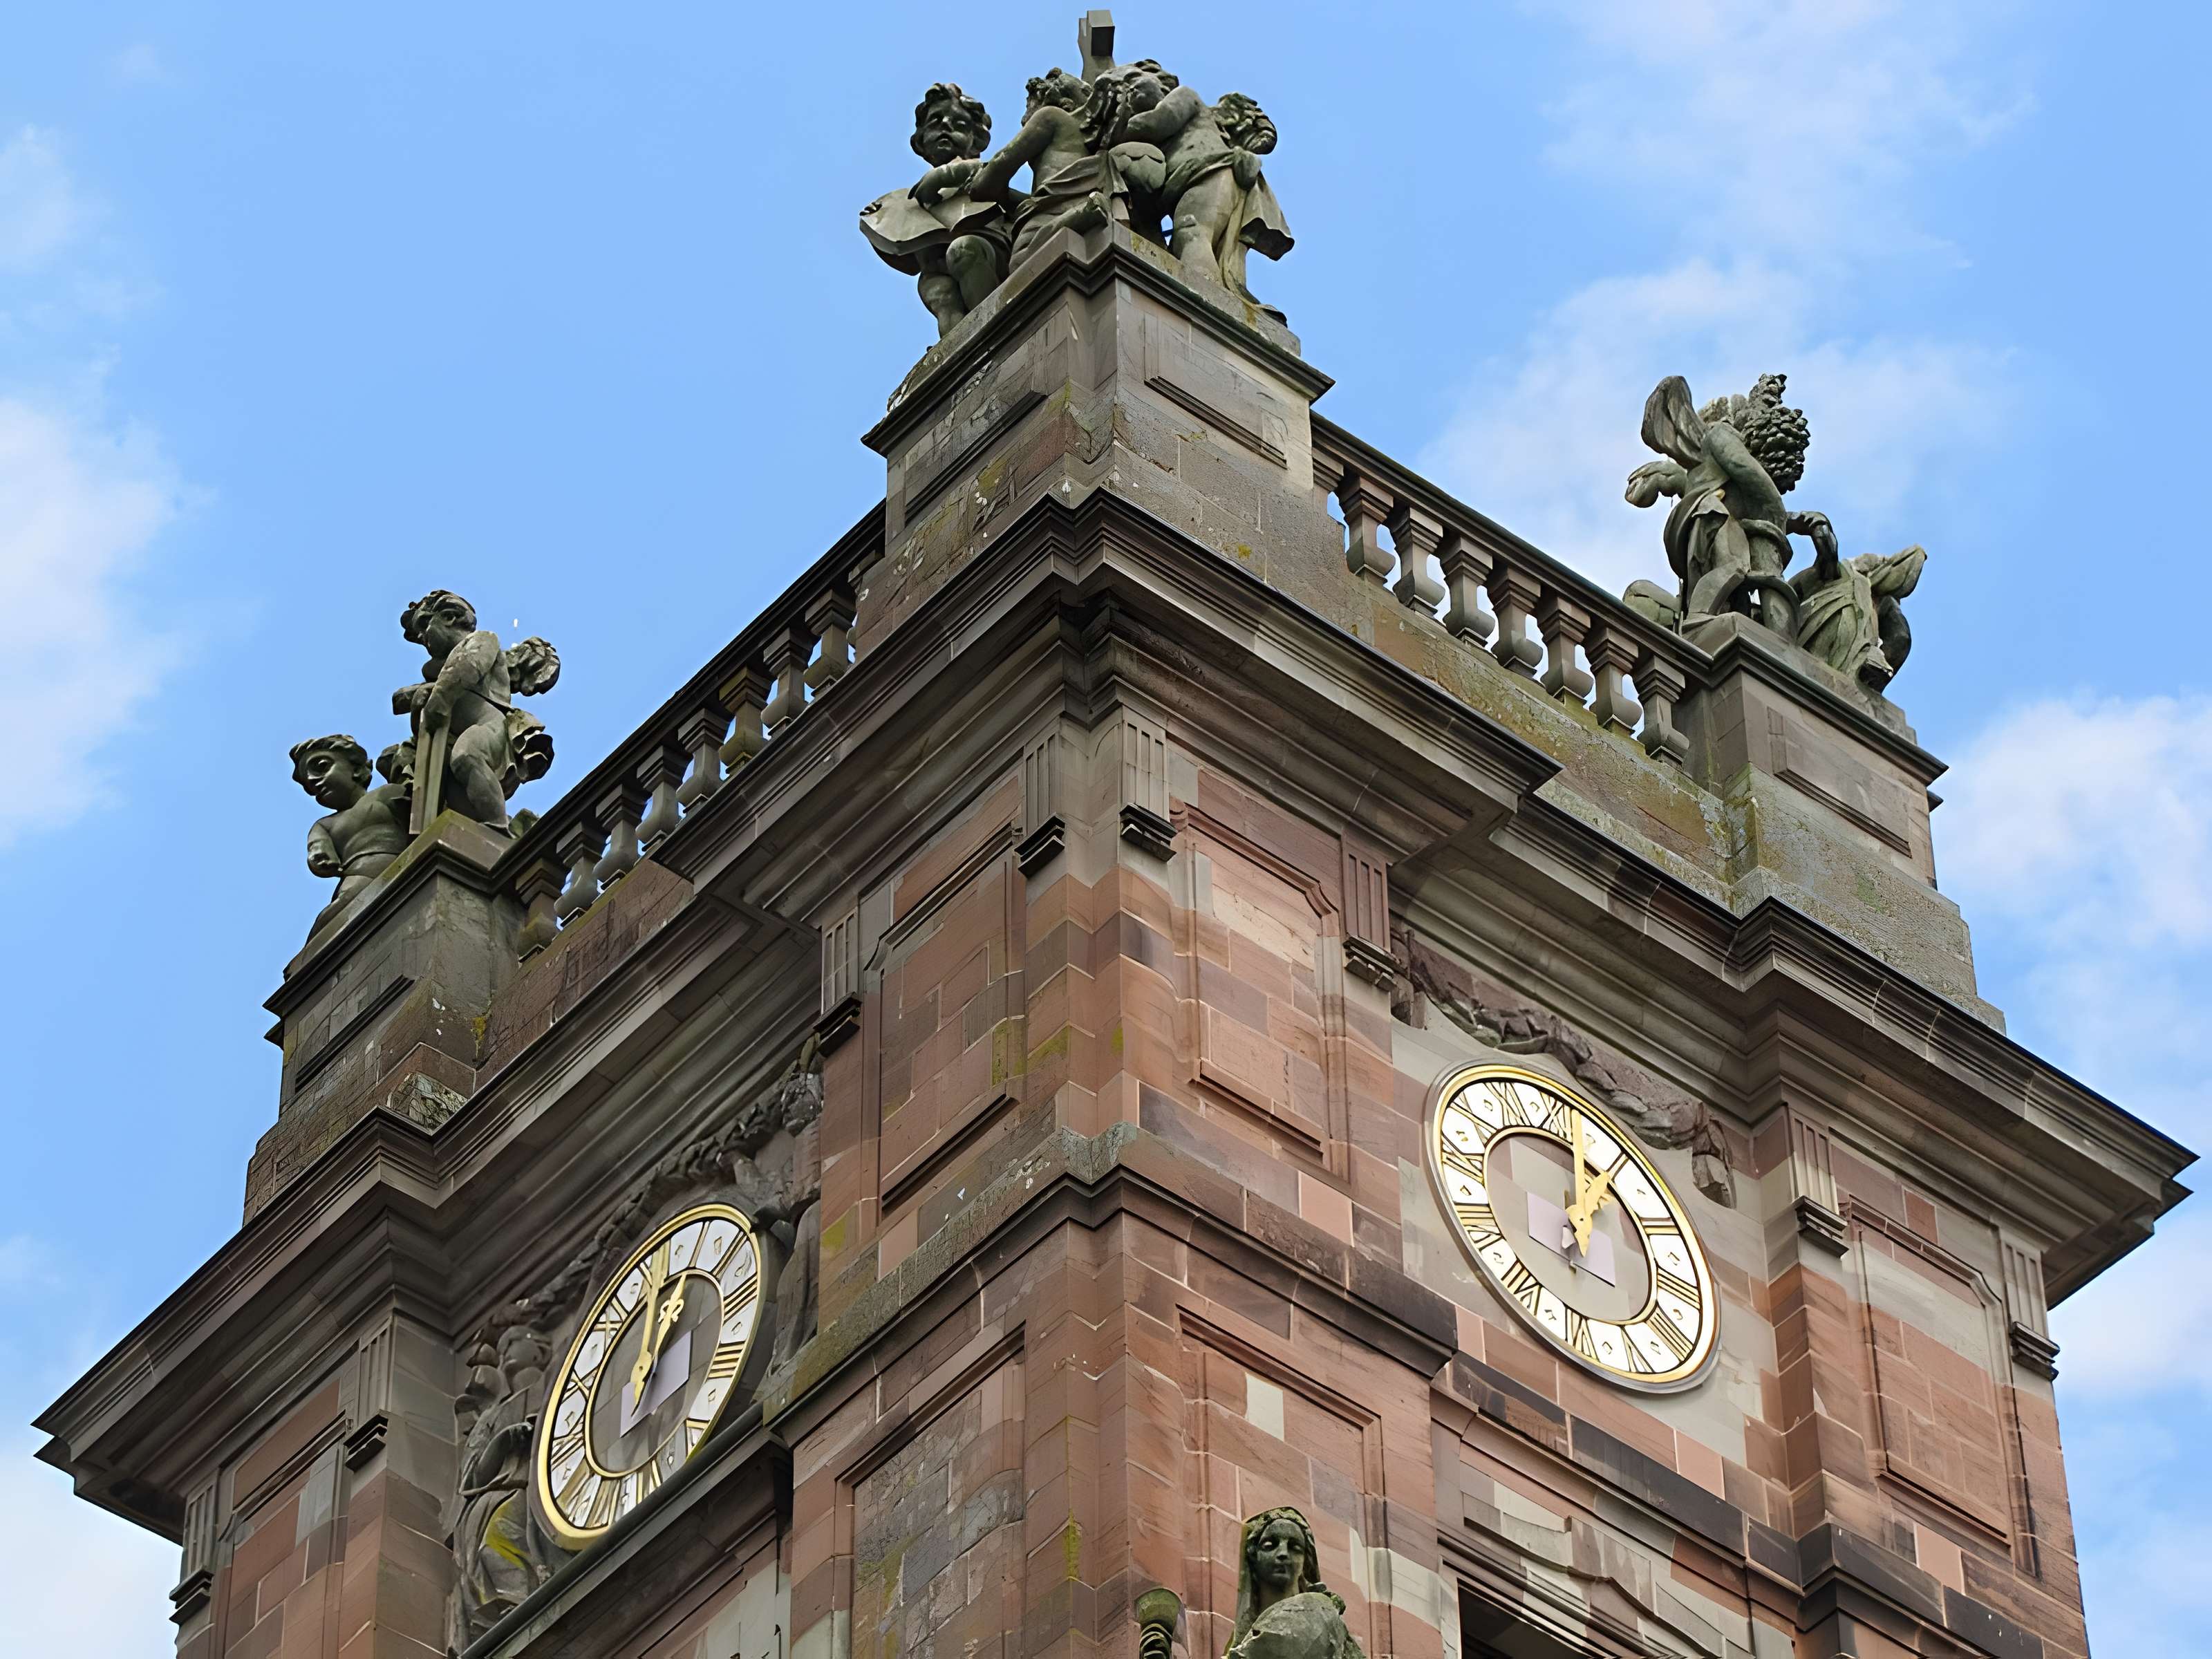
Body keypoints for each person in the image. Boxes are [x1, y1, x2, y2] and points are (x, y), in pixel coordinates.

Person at [289, 734, 410, 933]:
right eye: (308, 785)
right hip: (355, 878)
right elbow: (318, 849)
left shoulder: (387, 794)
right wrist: (320, 857)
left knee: (332, 924)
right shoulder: (325, 825)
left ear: (356, 768)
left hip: (400, 863)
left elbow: (422, 809)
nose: (312, 781)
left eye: (321, 766)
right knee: (327, 924)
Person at [1226, 1508, 1365, 1659]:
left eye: (1295, 1548)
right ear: (1253, 1556)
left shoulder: (1323, 1615)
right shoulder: (1240, 1643)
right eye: (1269, 1545)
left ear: (1306, 1562)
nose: (1283, 1553)